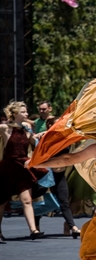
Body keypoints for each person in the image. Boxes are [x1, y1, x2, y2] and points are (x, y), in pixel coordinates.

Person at [0, 101, 46, 242]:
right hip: (8, 168)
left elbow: (34, 142)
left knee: (27, 200)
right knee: (1, 201)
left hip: (23, 166)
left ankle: (33, 230)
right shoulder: (4, 128)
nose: (26, 114)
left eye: (26, 112)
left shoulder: (26, 128)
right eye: (23, 112)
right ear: (15, 113)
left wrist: (43, 135)